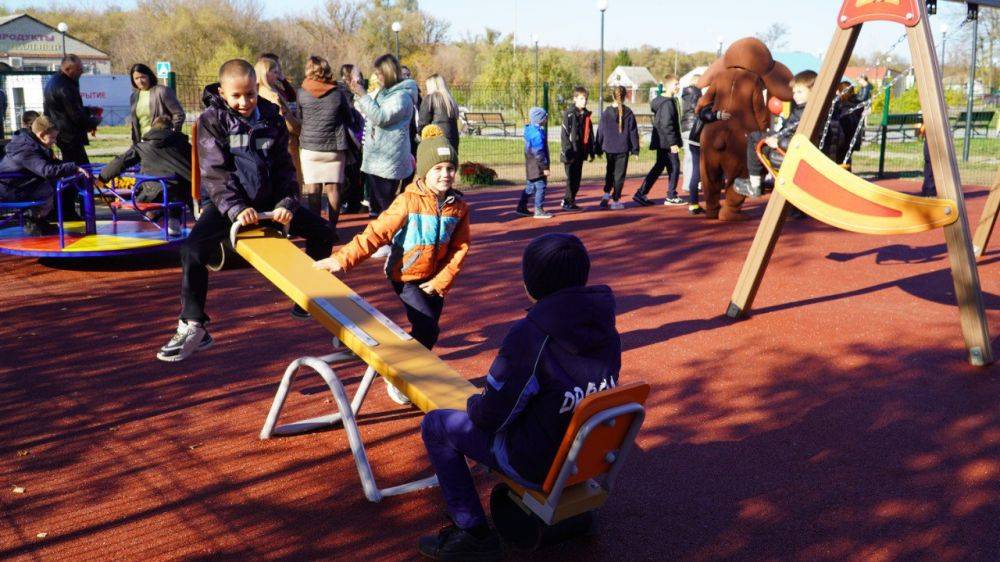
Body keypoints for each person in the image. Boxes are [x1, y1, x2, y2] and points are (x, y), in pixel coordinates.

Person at [416, 233, 620, 561]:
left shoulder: (531, 335)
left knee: (437, 425)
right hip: (584, 456)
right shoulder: (606, 326)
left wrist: (472, 404)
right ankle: (575, 516)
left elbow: (491, 415)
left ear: (530, 284)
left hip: (535, 461)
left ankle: (473, 533)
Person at [156, 59, 336, 362]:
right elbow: (215, 173)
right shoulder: (212, 120)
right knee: (191, 251)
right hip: (228, 203)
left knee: (322, 232)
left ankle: (306, 295)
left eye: (250, 94)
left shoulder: (270, 117)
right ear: (223, 92)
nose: (244, 101)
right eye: (237, 96)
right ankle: (194, 323)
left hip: (267, 200)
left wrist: (286, 204)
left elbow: (285, 169)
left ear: (256, 88)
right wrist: (237, 208)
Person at [314, 125, 470, 404]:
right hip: (405, 275)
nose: (445, 174)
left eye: (450, 168)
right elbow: (376, 233)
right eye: (438, 169)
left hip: (434, 279)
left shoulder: (458, 207)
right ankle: (399, 377)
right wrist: (341, 260)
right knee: (427, 328)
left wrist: (441, 281)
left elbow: (460, 249)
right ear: (424, 171)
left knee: (428, 329)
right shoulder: (407, 202)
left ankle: (408, 370)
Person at [347, 54, 418, 222]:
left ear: (388, 72)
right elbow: (371, 111)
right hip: (377, 157)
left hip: (388, 159)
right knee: (379, 208)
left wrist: (363, 94)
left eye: (379, 73)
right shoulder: (386, 93)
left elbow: (380, 117)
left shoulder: (401, 96)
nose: (377, 77)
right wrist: (358, 92)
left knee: (386, 206)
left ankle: (392, 241)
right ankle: (383, 242)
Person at [97, 116, 192, 236]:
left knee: (153, 190)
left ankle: (154, 213)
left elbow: (121, 161)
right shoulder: (182, 144)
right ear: (171, 129)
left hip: (153, 192)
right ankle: (173, 220)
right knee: (176, 190)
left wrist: (101, 178)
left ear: (152, 129)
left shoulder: (142, 147)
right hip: (182, 190)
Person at [734, 70, 816, 198]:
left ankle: (755, 184)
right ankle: (757, 183)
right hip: (799, 154)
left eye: (800, 92)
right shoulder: (811, 109)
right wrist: (777, 136)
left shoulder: (806, 112)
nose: (795, 96)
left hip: (792, 157)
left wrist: (778, 142)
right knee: (761, 136)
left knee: (755, 138)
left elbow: (803, 141)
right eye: (794, 92)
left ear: (814, 91)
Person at [0, 116, 88, 235]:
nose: (55, 141)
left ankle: (37, 219)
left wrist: (74, 166)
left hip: (20, 183)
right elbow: (46, 170)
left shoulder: (34, 145)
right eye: (52, 137)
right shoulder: (26, 150)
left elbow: (50, 164)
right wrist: (72, 167)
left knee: (53, 185)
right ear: (41, 135)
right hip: (10, 188)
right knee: (50, 187)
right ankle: (33, 220)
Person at [296, 55, 355, 231]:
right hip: (334, 147)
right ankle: (331, 228)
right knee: (333, 189)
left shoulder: (301, 93)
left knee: (313, 189)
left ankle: (316, 229)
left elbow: (300, 118)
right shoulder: (338, 93)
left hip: (310, 147)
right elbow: (349, 118)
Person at [43, 54, 101, 220]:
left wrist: (88, 110)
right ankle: (72, 211)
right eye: (79, 69)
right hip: (69, 136)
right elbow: (74, 115)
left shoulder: (58, 82)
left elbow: (68, 109)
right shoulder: (64, 87)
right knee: (81, 172)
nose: (82, 71)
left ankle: (69, 210)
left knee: (74, 172)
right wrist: (93, 121)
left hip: (63, 134)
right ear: (68, 69)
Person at [634, 74, 684, 206]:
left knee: (659, 167)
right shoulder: (667, 103)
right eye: (676, 84)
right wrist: (673, 143)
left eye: (678, 84)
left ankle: (641, 193)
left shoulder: (667, 101)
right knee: (674, 167)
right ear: (668, 86)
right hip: (666, 142)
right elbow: (666, 124)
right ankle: (671, 196)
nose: (678, 86)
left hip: (662, 141)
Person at [256, 56, 304, 192]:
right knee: (291, 178)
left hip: (277, 140)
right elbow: (284, 119)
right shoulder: (271, 94)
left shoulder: (270, 90)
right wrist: (299, 128)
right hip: (285, 140)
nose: (278, 75)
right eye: (275, 72)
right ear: (266, 73)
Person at [596, 86, 639, 210]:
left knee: (610, 172)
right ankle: (615, 200)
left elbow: (601, 132)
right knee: (619, 175)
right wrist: (635, 150)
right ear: (625, 96)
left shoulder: (606, 112)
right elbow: (633, 132)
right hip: (622, 148)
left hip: (609, 148)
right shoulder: (629, 113)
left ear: (613, 96)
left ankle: (606, 194)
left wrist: (597, 148)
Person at [127, 63, 185, 144]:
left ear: (149, 76)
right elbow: (135, 124)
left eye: (143, 77)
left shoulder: (162, 91)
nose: (140, 81)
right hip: (142, 144)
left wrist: (172, 133)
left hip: (162, 142)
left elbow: (179, 114)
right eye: (136, 78)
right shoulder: (134, 97)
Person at [560, 86, 596, 211]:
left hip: (581, 152)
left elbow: (590, 134)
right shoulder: (569, 114)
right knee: (571, 179)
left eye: (585, 98)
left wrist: (592, 151)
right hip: (570, 153)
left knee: (577, 179)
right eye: (581, 98)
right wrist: (567, 150)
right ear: (575, 99)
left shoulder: (586, 115)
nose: (584, 101)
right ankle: (567, 202)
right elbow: (564, 134)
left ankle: (570, 200)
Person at [517, 107, 551, 219]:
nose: (547, 118)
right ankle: (539, 210)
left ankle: (521, 207)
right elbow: (539, 152)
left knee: (530, 187)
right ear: (540, 119)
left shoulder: (530, 130)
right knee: (541, 186)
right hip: (537, 166)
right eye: (545, 116)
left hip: (530, 164)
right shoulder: (537, 134)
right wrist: (545, 167)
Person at [418, 74, 460, 150]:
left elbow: (423, 122)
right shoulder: (450, 100)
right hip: (453, 141)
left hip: (436, 140)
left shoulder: (430, 99)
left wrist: (418, 134)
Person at [680, 75, 703, 212]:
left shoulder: (684, 94)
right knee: (693, 159)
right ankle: (690, 185)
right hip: (693, 127)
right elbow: (698, 109)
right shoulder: (695, 93)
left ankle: (687, 183)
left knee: (688, 157)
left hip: (685, 127)